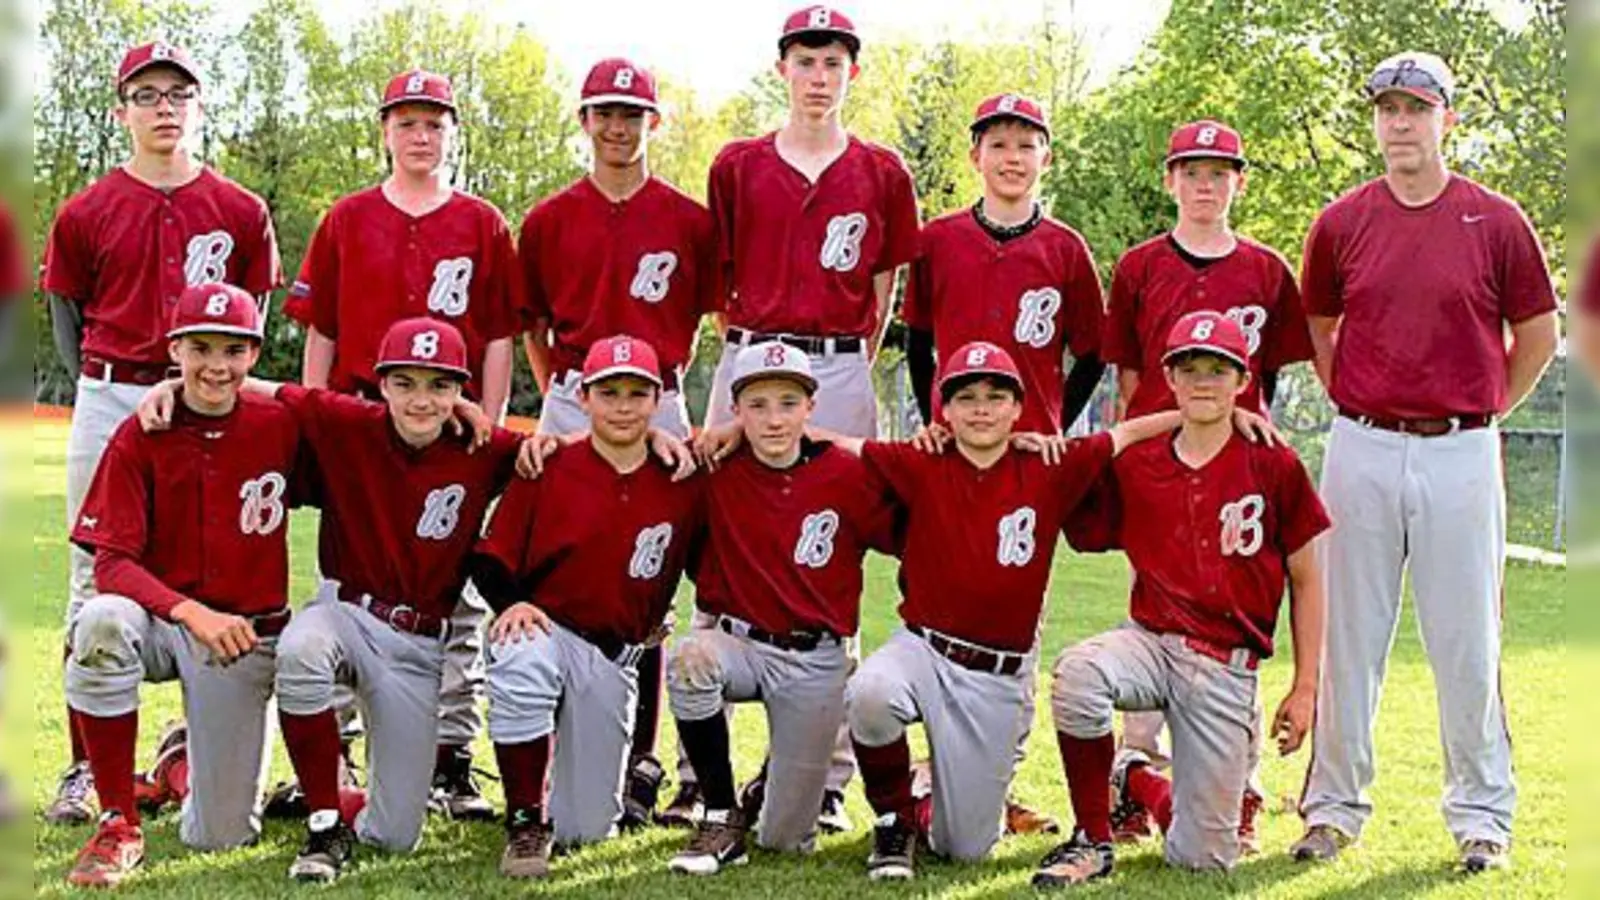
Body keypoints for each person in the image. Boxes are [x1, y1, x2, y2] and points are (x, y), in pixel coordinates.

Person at [1291, 51, 1558, 875]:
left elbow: (1539, 335)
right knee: (1347, 637)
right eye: (1386, 109)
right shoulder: (1342, 222)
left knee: (1466, 639)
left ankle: (1482, 817)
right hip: (1363, 443)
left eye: (1415, 107)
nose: (1400, 123)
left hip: (1461, 449)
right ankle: (1333, 810)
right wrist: (1363, 403)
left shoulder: (1496, 220)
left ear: (1447, 117)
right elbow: (1321, 328)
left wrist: (1478, 410)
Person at [818, 341, 1215, 880]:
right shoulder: (924, 459)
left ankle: (930, 795)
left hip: (996, 676)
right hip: (926, 648)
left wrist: (1216, 413)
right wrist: (731, 433)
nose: (981, 409)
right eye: (966, 397)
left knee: (966, 849)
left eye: (995, 396)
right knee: (871, 692)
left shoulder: (1050, 463)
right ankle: (895, 819)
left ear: (1017, 406)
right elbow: (842, 446)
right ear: (945, 409)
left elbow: (1127, 432)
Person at [665, 2, 920, 835]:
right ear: (782, 68)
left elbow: (883, 295)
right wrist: (747, 371)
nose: (819, 76)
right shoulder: (737, 164)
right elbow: (720, 277)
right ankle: (696, 772)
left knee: (835, 542)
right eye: (805, 60)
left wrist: (840, 367)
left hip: (837, 363)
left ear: (854, 71)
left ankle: (829, 769)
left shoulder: (882, 171)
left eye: (833, 61)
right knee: (714, 524)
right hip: (748, 352)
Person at [42, 40, 282, 826]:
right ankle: (86, 767)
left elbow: (250, 319)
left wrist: (197, 381)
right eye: (147, 95)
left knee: (210, 565)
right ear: (124, 113)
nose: (164, 106)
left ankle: (189, 738)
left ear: (199, 105)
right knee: (93, 581)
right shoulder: (84, 210)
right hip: (114, 388)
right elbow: (68, 321)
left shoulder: (242, 209)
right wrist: (131, 384)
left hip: (210, 391)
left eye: (179, 92)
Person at [278, 68, 521, 822]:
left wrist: (485, 417)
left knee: (454, 587)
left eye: (434, 122)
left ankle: (450, 757)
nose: (420, 135)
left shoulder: (482, 222)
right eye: (406, 121)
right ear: (384, 130)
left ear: (452, 133)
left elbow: (503, 335)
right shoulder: (347, 218)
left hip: (450, 421)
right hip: (359, 416)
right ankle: (335, 746)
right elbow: (320, 328)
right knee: (346, 584)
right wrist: (315, 419)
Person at [1032, 310, 1329, 888]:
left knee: (1202, 858)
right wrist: (1146, 425)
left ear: (1244, 380)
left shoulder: (1273, 462)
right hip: (1150, 643)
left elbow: (1308, 578)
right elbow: (1069, 490)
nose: (1202, 382)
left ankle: (1138, 779)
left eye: (1218, 370)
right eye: (1187, 369)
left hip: (1226, 666)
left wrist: (1306, 686)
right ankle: (1092, 838)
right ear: (1167, 378)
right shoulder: (1140, 463)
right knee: (1078, 674)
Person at [1100, 118, 1315, 850]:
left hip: (1239, 458)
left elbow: (1272, 372)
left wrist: (1249, 426)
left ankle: (1234, 782)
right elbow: (1130, 374)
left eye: (1219, 173)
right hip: (1161, 461)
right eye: (1191, 171)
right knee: (1154, 610)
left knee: (1235, 612)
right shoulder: (1138, 265)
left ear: (1239, 184)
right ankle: (1136, 765)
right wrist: (1143, 443)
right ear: (1170, 180)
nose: (1204, 184)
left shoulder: (1264, 268)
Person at [899, 90, 1105, 836]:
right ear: (975, 156)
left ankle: (996, 778)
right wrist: (932, 421)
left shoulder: (1065, 248)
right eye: (999, 144)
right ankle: (925, 774)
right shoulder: (938, 239)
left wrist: (1055, 423)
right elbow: (918, 342)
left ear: (1045, 156)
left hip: (1025, 460)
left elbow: (1092, 352)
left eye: (1027, 144)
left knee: (1017, 618)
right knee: (931, 606)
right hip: (950, 454)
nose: (1013, 158)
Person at [518, 57, 717, 827]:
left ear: (653, 123)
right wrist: (562, 398)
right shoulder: (547, 219)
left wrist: (663, 402)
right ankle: (551, 753)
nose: (617, 126)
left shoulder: (689, 219)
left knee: (650, 581)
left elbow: (700, 329)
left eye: (632, 114)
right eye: (604, 111)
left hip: (657, 398)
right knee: (559, 572)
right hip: (572, 394)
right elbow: (533, 326)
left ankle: (640, 759)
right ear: (584, 120)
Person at [61, 284, 299, 887]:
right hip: (165, 622)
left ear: (253, 353)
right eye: (200, 348)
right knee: (100, 621)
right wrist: (190, 612)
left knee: (220, 834)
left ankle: (177, 766)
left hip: (240, 636)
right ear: (175, 349)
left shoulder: (282, 424)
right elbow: (110, 562)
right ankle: (118, 820)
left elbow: (368, 427)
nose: (215, 365)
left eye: (231, 350)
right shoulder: (142, 432)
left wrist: (462, 407)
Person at [471, 335, 702, 879]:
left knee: (587, 828)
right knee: (522, 652)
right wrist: (512, 604)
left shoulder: (682, 479)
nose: (622, 406)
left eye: (636, 393)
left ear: (658, 398)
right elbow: (489, 557)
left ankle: (560, 795)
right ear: (583, 397)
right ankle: (526, 822)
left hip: (615, 655)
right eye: (608, 392)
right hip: (550, 628)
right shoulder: (548, 464)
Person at [664, 341, 897, 875]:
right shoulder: (715, 467)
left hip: (814, 658)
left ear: (811, 407)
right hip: (739, 643)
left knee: (786, 839)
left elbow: (912, 530)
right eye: (758, 404)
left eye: (788, 403)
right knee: (691, 659)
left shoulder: (848, 472)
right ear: (735, 409)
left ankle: (767, 789)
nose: (773, 419)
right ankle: (720, 813)